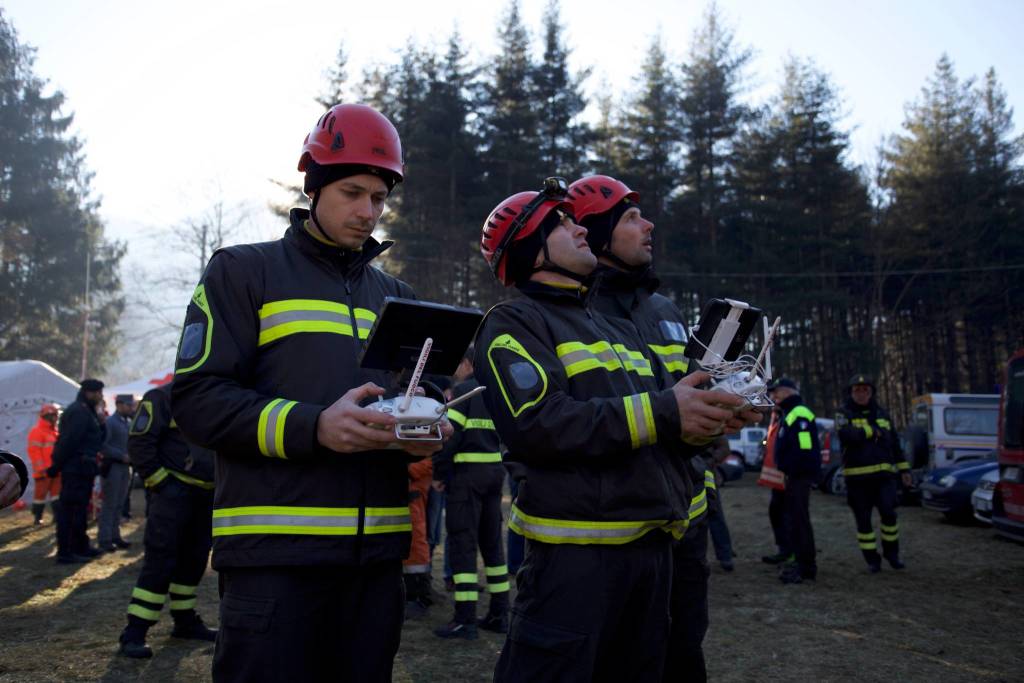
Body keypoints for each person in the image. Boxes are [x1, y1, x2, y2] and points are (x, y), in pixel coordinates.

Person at [170, 103, 450, 682]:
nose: (367, 211)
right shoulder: (242, 272)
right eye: (352, 192)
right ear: (314, 186)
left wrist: (430, 426)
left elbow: (425, 394)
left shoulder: (398, 295)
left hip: (376, 566)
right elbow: (197, 400)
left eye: (379, 198)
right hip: (274, 564)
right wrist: (314, 426)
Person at [476, 177, 754, 682]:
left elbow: (656, 425)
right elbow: (536, 424)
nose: (579, 228)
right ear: (531, 251)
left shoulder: (618, 328)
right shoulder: (514, 322)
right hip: (576, 562)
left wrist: (708, 417)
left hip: (652, 552)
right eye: (561, 224)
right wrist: (669, 411)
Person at [566, 174, 758, 683]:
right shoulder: (569, 313)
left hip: (686, 521)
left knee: (683, 652)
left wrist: (725, 409)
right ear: (595, 233)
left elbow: (686, 403)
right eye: (631, 218)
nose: (649, 225)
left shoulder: (665, 310)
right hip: (615, 534)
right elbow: (578, 424)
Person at [117, 381, 216, 658]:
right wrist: (162, 484)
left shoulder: (214, 395)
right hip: (173, 495)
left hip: (205, 495)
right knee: (161, 560)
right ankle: (135, 631)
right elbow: (139, 443)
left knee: (195, 559)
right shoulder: (162, 397)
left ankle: (184, 620)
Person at [433, 348, 509, 640]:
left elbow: (449, 436)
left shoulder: (464, 392)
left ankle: (465, 619)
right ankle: (500, 613)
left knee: (463, 544)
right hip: (494, 474)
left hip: (467, 477)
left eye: (457, 364)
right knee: (492, 545)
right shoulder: (497, 391)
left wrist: (440, 473)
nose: (455, 371)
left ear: (467, 363)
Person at [837, 373, 910, 572]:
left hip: (884, 478)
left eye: (865, 390)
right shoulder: (844, 413)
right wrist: (872, 431)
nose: (861, 394)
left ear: (871, 392)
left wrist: (904, 469)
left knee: (889, 516)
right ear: (851, 393)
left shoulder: (882, 414)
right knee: (863, 522)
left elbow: (895, 444)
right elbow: (846, 435)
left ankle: (892, 554)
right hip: (857, 479)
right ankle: (872, 560)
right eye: (857, 390)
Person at [767, 378, 820, 584]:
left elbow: (804, 447)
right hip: (794, 475)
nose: (774, 396)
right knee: (793, 519)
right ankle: (799, 561)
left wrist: (794, 471)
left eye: (777, 391)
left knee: (799, 521)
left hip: (799, 475)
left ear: (788, 391)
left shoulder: (799, 413)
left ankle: (806, 567)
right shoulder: (788, 413)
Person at [48, 378, 105, 564]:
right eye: (98, 393)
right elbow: (69, 441)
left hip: (84, 468)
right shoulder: (78, 412)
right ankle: (66, 551)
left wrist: (101, 422)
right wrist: (57, 465)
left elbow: (95, 438)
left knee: (80, 511)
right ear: (89, 393)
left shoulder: (87, 411)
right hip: (75, 467)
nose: (100, 396)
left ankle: (81, 546)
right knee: (70, 511)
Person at [98, 394, 135, 551]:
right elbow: (103, 445)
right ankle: (105, 538)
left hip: (125, 468)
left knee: (119, 503)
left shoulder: (127, 422)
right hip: (113, 466)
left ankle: (115, 535)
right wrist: (121, 455)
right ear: (119, 405)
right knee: (110, 504)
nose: (131, 408)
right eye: (128, 405)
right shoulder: (110, 423)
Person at [758, 407, 791, 565]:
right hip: (777, 481)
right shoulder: (776, 418)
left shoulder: (788, 417)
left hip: (787, 479)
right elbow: (769, 441)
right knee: (776, 513)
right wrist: (765, 443)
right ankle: (783, 550)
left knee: (786, 515)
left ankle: (789, 552)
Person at [27, 403, 61, 525]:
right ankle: (38, 517)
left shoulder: (55, 432)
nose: (57, 418)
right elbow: (34, 451)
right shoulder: (37, 431)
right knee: (40, 495)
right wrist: (40, 468)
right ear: (48, 416)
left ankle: (57, 516)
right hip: (43, 471)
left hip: (55, 469)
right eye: (55, 415)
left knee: (57, 494)